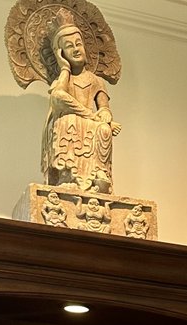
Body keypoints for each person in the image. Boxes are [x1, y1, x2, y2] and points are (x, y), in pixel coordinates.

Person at [42, 19, 121, 194]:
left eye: (79, 44)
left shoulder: (96, 81)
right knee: (67, 120)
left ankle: (99, 173)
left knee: (104, 130)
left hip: (92, 123)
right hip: (72, 120)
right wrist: (64, 68)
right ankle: (67, 173)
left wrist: (105, 115)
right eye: (69, 46)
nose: (76, 49)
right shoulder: (62, 80)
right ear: (60, 54)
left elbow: (104, 107)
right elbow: (58, 97)